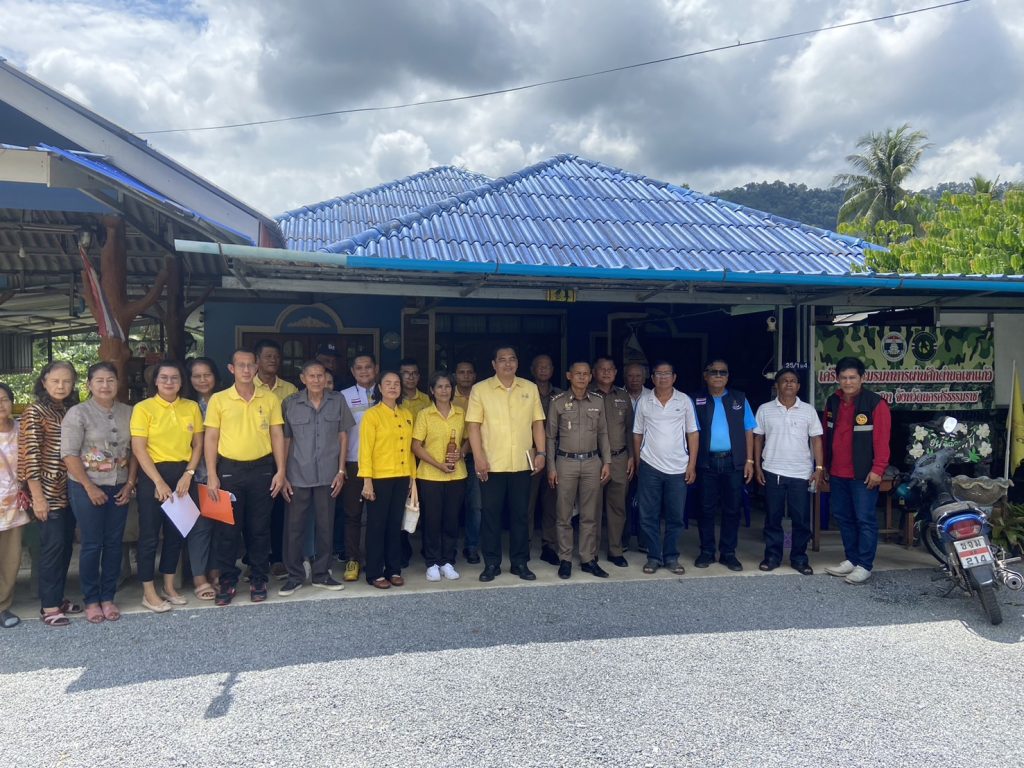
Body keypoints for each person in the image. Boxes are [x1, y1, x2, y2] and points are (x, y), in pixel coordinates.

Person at [204, 349, 287, 605]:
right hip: (230, 470)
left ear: (257, 367)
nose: (246, 369)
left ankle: (259, 578)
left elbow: (277, 434)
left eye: (251, 365)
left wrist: (281, 470)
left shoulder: (269, 398)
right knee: (228, 529)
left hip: (263, 468)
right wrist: (212, 474)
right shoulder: (219, 399)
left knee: (259, 528)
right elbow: (211, 437)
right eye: (241, 365)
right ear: (232, 369)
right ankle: (228, 580)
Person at [62, 362, 135, 624]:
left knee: (114, 543)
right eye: (99, 381)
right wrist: (89, 487)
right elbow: (69, 455)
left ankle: (108, 597)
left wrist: (130, 484)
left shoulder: (129, 412)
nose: (105, 385)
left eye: (110, 380)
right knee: (92, 543)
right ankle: (91, 599)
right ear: (89, 385)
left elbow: (135, 451)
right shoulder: (78, 413)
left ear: (118, 383)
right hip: (86, 485)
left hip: (120, 485)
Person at [131, 360, 206, 611]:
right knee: (150, 535)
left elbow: (198, 444)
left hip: (183, 475)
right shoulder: (143, 408)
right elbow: (139, 448)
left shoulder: (191, 407)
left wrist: (189, 473)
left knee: (176, 533)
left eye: (175, 378)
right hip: (153, 475)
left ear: (181, 382)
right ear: (155, 380)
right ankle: (148, 591)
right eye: (163, 377)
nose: (169, 382)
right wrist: (158, 481)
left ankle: (169, 586)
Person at [466, 346, 546, 582]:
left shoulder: (529, 388)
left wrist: (541, 452)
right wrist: (478, 457)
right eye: (502, 360)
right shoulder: (480, 390)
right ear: (494, 364)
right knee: (491, 515)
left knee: (520, 515)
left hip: (521, 463)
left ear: (517, 363)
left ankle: (520, 562)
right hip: (491, 464)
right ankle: (491, 563)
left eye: (512, 359)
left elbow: (537, 423)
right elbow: (473, 426)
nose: (507, 364)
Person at [279, 360, 354, 596]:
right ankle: (294, 576)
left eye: (320, 375)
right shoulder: (290, 403)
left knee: (325, 526)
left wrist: (341, 471)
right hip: (297, 474)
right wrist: (283, 474)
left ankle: (322, 574)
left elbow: (343, 436)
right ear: (303, 379)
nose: (316, 380)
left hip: (329, 474)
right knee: (294, 527)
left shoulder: (337, 400)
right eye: (311, 376)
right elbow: (286, 439)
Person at [19, 360, 82, 627]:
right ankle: (49, 606)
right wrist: (38, 498)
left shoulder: (69, 409)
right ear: (44, 382)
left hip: (70, 490)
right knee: (52, 548)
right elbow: (30, 457)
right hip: (47, 493)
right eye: (55, 381)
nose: (61, 386)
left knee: (65, 547)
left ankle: (57, 597)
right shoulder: (35, 412)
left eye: (66, 381)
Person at [822, 356, 891, 584]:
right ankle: (851, 559)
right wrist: (825, 466)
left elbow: (882, 440)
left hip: (863, 474)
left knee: (865, 519)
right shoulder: (832, 402)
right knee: (843, 518)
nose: (848, 382)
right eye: (843, 377)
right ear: (837, 379)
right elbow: (826, 436)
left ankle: (864, 565)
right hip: (837, 473)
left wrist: (878, 469)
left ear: (862, 378)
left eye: (852, 377)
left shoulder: (875, 404)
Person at [753, 369, 823, 575]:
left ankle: (799, 558)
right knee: (772, 518)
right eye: (785, 380)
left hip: (800, 473)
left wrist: (819, 468)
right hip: (772, 470)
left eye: (793, 381)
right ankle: (772, 556)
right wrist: (757, 466)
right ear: (777, 385)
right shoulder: (765, 409)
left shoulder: (808, 410)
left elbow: (816, 439)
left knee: (801, 519)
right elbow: (758, 438)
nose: (789, 384)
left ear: (798, 386)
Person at [632, 361, 699, 575]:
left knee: (675, 516)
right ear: (652, 378)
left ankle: (671, 556)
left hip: (678, 468)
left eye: (667, 373)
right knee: (648, 515)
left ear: (674, 377)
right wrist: (638, 461)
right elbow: (637, 433)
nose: (662, 377)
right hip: (650, 466)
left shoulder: (684, 401)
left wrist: (692, 465)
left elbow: (693, 433)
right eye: (658, 374)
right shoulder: (644, 401)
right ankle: (653, 556)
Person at [547, 361, 611, 579]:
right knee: (564, 514)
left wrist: (607, 462)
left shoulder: (598, 401)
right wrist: (551, 467)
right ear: (569, 376)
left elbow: (603, 433)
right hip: (566, 462)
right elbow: (550, 437)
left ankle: (587, 559)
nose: (582, 377)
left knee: (589, 515)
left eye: (586, 374)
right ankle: (565, 559)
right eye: (578, 374)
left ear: (591, 377)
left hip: (592, 462)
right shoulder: (558, 402)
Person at [691, 358, 756, 571]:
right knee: (705, 508)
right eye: (714, 372)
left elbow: (749, 429)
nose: (718, 376)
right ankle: (707, 551)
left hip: (733, 462)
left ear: (728, 377)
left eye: (723, 372)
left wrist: (749, 460)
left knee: (732, 509)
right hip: (706, 462)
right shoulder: (695, 399)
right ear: (705, 376)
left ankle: (728, 553)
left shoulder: (739, 398)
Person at [358, 371, 415, 589]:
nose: (393, 387)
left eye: (396, 383)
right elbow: (365, 451)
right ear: (380, 388)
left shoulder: (406, 415)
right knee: (376, 526)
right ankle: (374, 572)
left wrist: (412, 478)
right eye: (388, 383)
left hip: (401, 477)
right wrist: (367, 481)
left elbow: (409, 450)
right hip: (379, 478)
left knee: (395, 525)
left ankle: (394, 569)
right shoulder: (372, 415)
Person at [412, 371, 466, 582]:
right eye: (440, 387)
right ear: (432, 391)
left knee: (451, 519)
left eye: (448, 386)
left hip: (456, 474)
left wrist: (462, 453)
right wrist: (438, 465)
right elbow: (416, 446)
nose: (444, 390)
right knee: (432, 520)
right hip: (430, 475)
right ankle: (432, 562)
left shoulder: (460, 413)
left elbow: (468, 439)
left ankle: (448, 561)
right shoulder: (425, 414)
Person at [254, 339, 297, 580]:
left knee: (280, 509)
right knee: (255, 512)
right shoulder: (247, 387)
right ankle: (253, 560)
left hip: (283, 457)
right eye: (268, 356)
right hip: (256, 458)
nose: (273, 360)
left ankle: (278, 558)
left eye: (276, 356)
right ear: (257, 360)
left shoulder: (290, 390)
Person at [591, 356, 635, 567]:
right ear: (594, 372)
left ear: (616, 372)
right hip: (594, 459)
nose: (606, 372)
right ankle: (591, 552)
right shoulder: (586, 394)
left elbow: (630, 429)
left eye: (610, 369)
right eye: (602, 369)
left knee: (617, 507)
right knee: (592, 508)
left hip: (619, 458)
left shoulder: (623, 396)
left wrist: (632, 456)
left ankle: (615, 550)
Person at [338, 353, 379, 581]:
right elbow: (339, 433)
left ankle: (375, 558)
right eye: (359, 368)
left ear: (376, 369)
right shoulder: (343, 396)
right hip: (353, 462)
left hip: (381, 464)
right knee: (352, 514)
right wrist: (341, 464)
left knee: (377, 515)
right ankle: (352, 559)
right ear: (353, 372)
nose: (364, 371)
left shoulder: (385, 392)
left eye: (368, 367)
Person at [185, 357, 221, 593]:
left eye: (207, 375)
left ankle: (216, 572)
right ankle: (199, 578)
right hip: (194, 474)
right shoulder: (186, 405)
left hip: (222, 472)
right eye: (196, 376)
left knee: (220, 525)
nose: (202, 380)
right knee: (199, 526)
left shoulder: (225, 400)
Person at [527, 353, 562, 566]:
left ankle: (549, 546)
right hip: (529, 455)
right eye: (539, 366)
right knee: (527, 503)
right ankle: (524, 544)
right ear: (532, 370)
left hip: (555, 456)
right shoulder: (525, 392)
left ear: (552, 370)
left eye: (547, 366)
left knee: (552, 504)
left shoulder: (561, 395)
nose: (543, 369)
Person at [0, 383, 29, 628]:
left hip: (13, 507)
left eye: (4, 399)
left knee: (10, 559)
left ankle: (2, 606)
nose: (0, 405)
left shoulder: (22, 430)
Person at [453, 360, 482, 564]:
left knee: (476, 505)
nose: (465, 376)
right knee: (451, 505)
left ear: (475, 376)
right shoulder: (445, 393)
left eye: (469, 372)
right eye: (461, 372)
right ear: (455, 375)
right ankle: (449, 548)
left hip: (475, 456)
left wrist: (466, 450)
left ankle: (471, 546)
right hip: (449, 457)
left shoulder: (481, 395)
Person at [623, 362, 650, 548]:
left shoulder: (653, 396)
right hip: (622, 456)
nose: (634, 379)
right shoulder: (617, 395)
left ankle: (644, 541)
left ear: (645, 377)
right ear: (624, 377)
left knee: (646, 500)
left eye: (638, 376)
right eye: (630, 376)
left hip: (648, 457)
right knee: (622, 500)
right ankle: (623, 540)